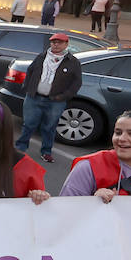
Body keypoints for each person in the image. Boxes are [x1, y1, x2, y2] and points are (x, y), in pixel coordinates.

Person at [14, 31, 82, 164]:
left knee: (49, 127)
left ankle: (46, 152)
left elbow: (76, 83)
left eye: (59, 42)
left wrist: (63, 96)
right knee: (28, 124)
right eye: (53, 42)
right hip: (34, 97)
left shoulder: (72, 62)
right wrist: (28, 88)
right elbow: (30, 71)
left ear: (66, 44)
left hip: (55, 101)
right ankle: (20, 147)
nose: (56, 45)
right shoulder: (42, 56)